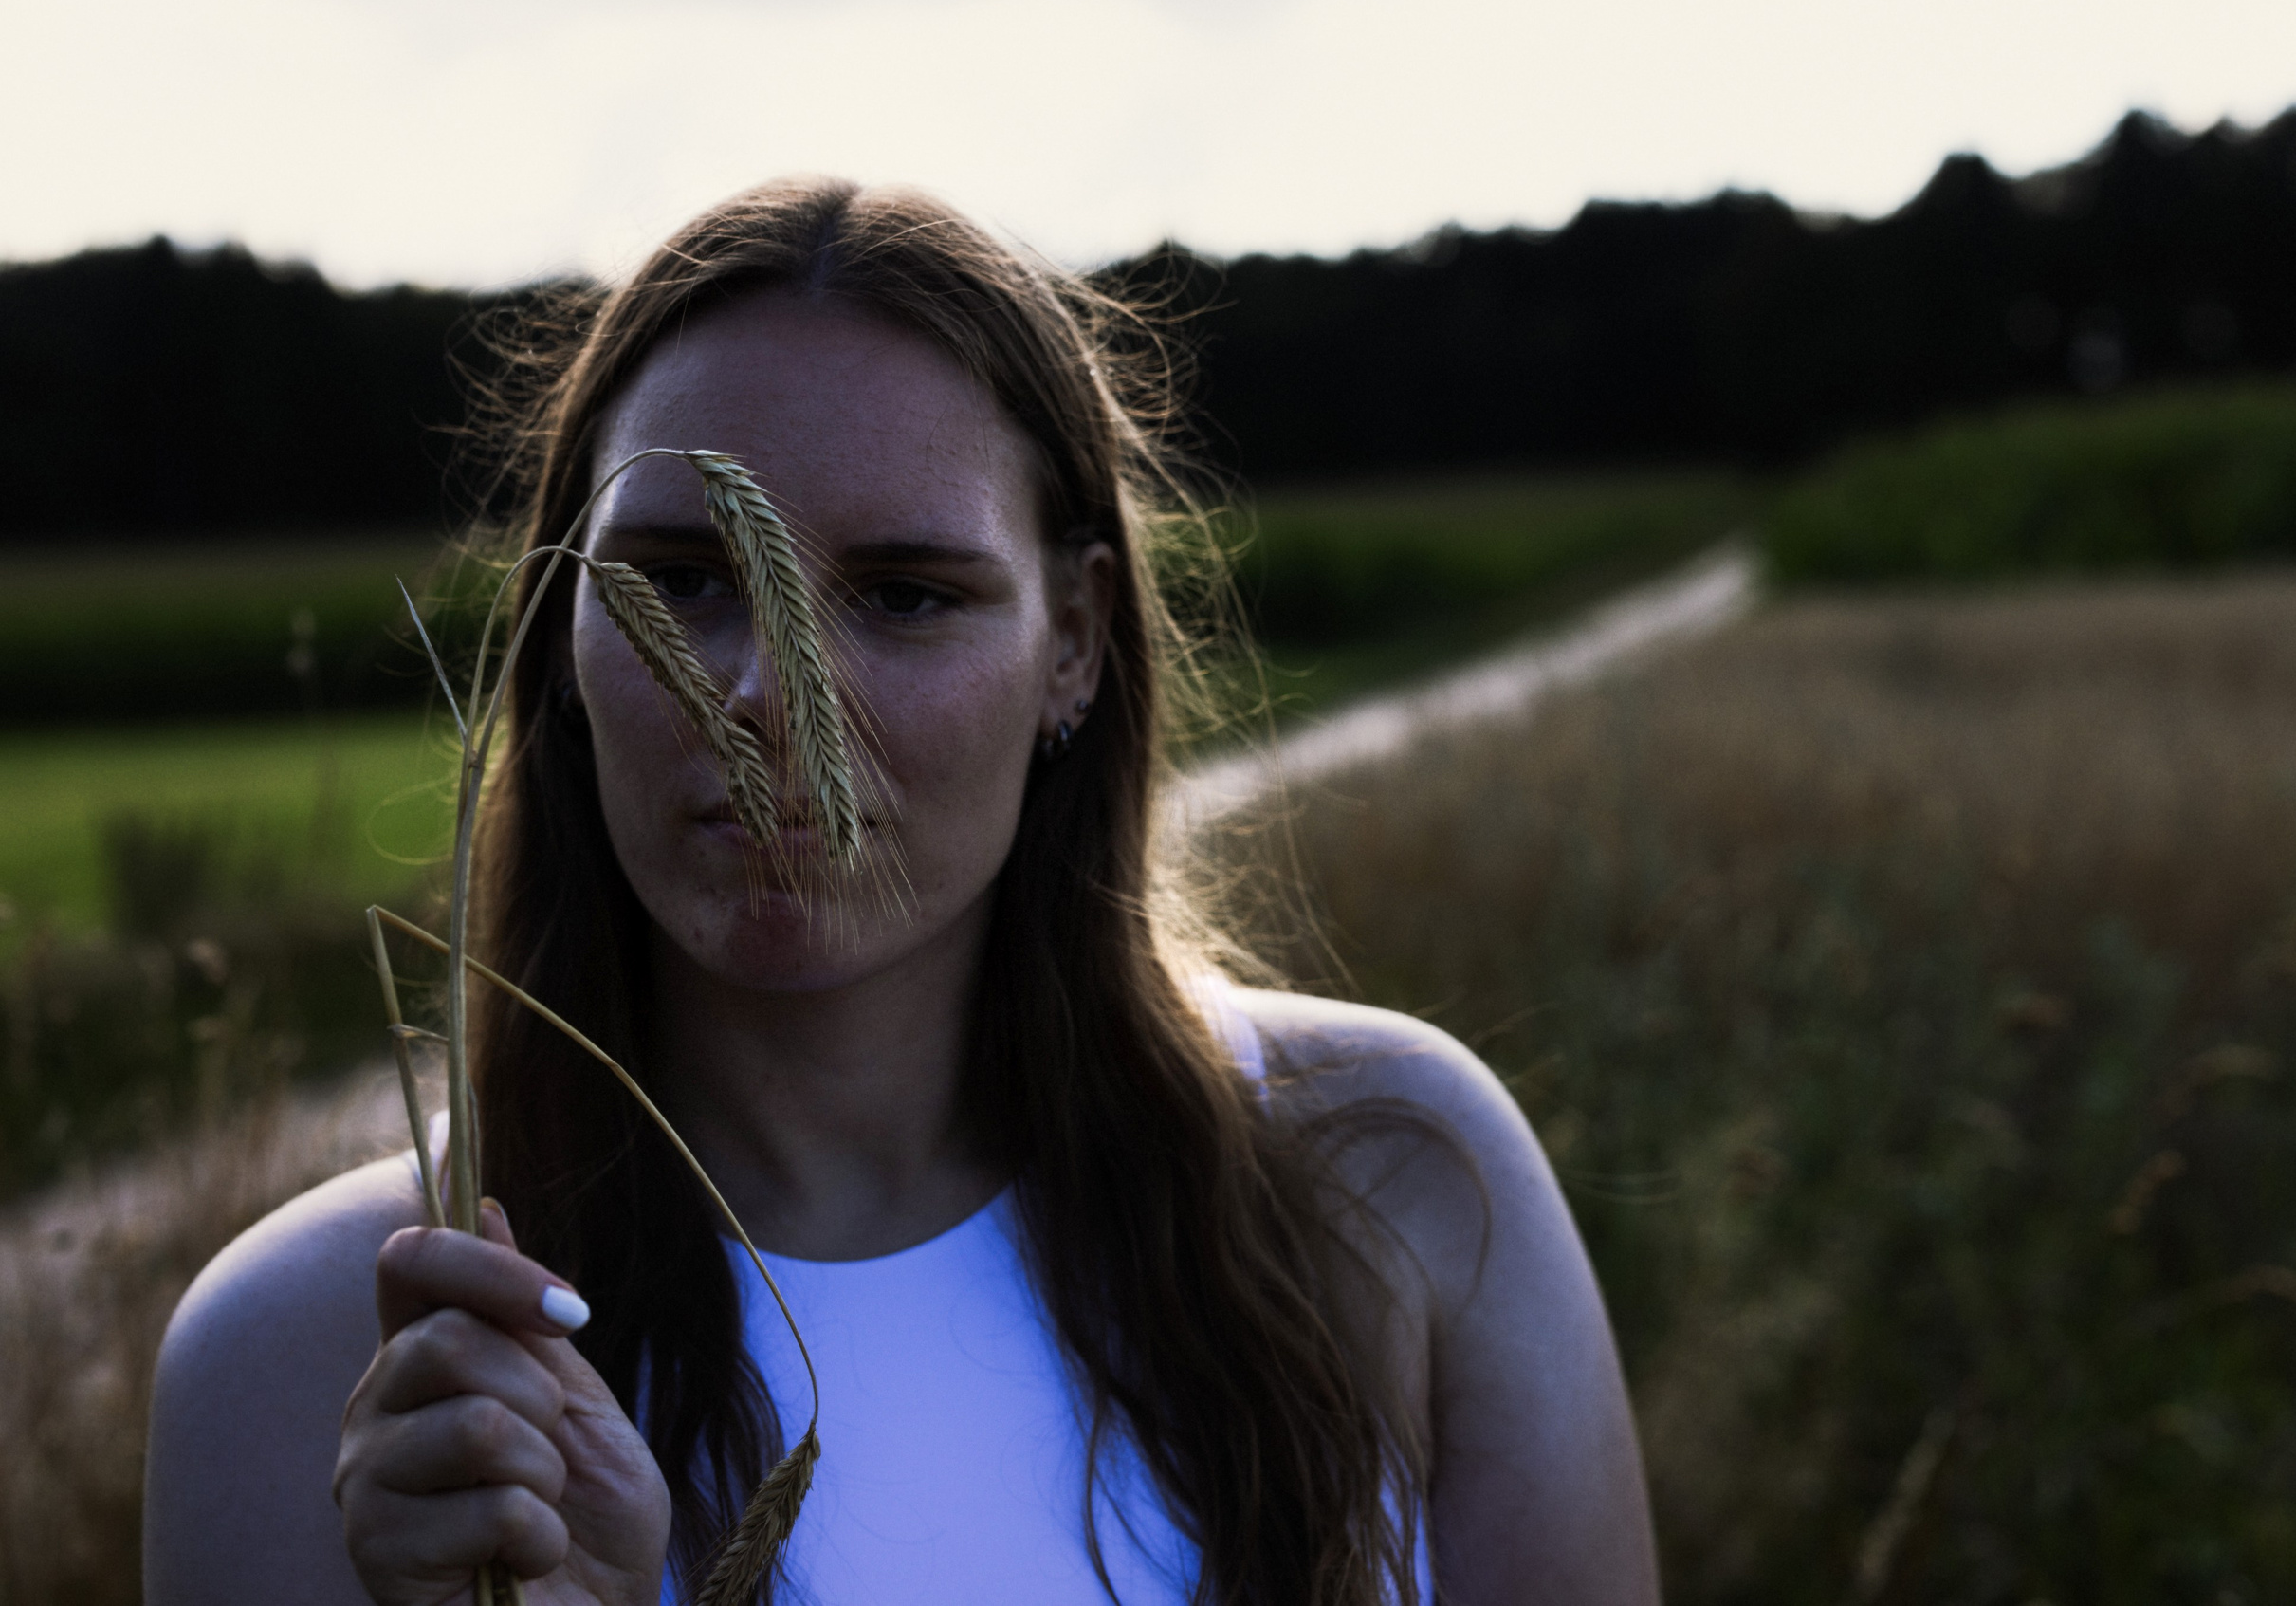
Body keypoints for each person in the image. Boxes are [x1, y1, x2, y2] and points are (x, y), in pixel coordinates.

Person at [141, 177, 1660, 1606]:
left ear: (1073, 640)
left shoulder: (1391, 1190)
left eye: (905, 595)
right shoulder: (328, 1361)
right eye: (678, 579)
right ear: (559, 633)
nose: (764, 696)